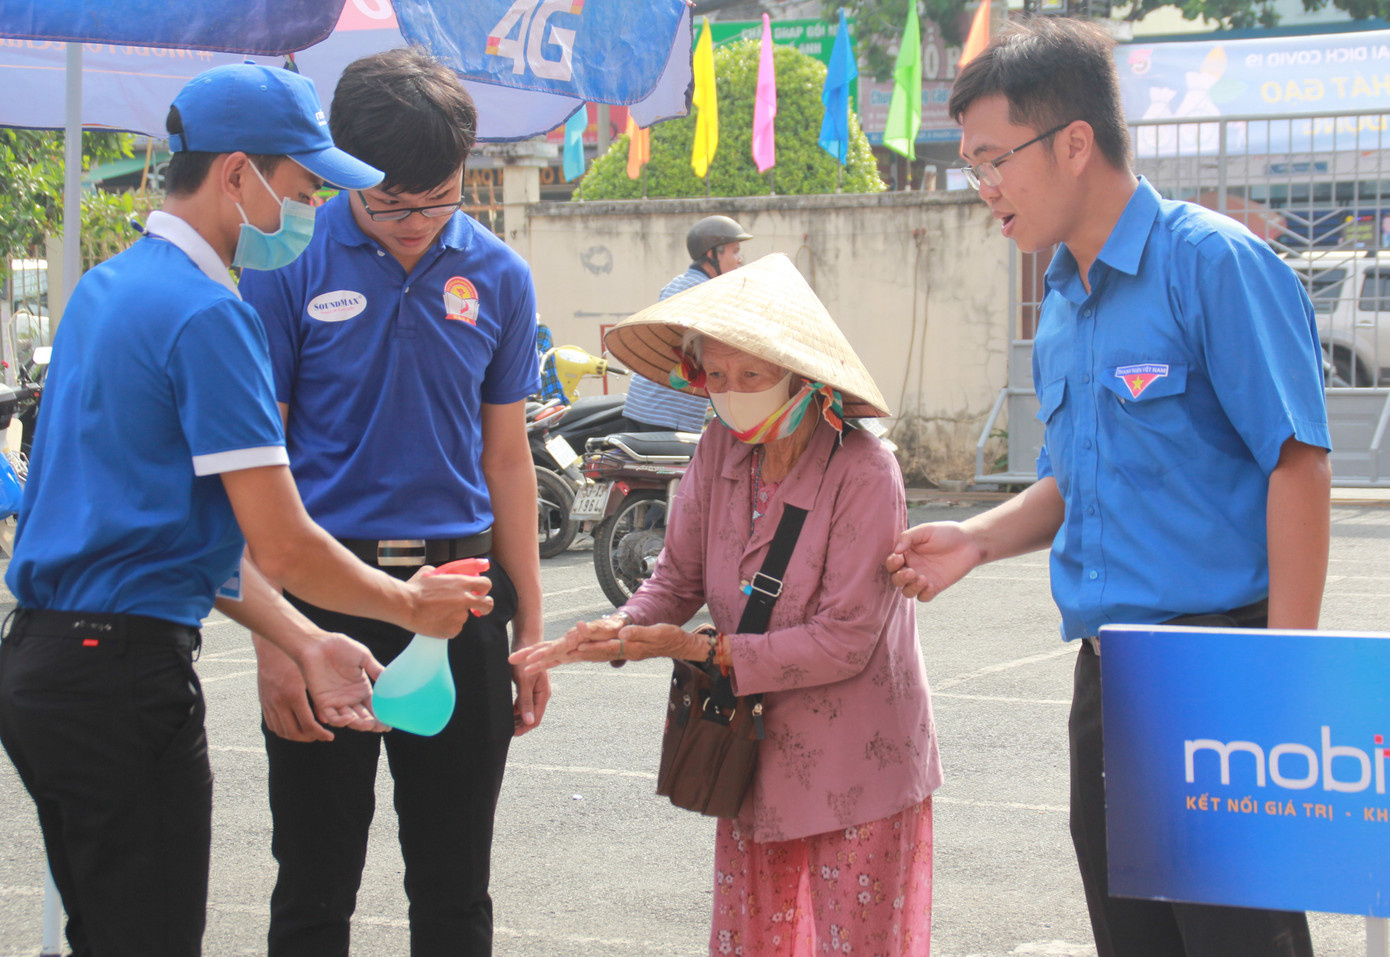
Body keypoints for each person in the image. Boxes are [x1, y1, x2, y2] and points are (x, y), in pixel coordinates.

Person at [0, 62, 495, 957]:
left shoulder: (106, 292)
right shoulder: (208, 314)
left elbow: (186, 542)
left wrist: (304, 639)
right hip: (124, 674)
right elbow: (285, 542)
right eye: (303, 188)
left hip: (47, 665)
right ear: (239, 174)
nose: (306, 212)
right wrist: (408, 606)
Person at [885, 18, 1331, 957]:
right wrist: (977, 537)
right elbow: (1070, 479)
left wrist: (1280, 680)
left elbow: (1297, 460)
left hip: (1218, 672)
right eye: (973, 166)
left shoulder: (1210, 263)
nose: (984, 189)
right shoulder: (1063, 298)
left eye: (994, 160)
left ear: (1075, 142)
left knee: (1239, 941)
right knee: (1134, 938)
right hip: (1109, 673)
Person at [514, 253, 941, 956]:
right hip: (752, 757)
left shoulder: (866, 471)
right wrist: (617, 628)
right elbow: (677, 578)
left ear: (802, 376)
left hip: (859, 764)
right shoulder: (717, 448)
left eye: (753, 376)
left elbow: (846, 638)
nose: (733, 394)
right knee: (756, 938)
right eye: (717, 376)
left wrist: (696, 648)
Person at [238, 48, 548, 957]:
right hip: (322, 588)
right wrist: (273, 641)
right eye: (389, 202)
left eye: (438, 198)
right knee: (314, 878)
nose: (415, 222)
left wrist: (528, 628)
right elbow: (260, 468)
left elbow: (509, 460)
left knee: (454, 887)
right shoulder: (285, 267)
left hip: (458, 596)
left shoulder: (499, 277)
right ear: (344, 176)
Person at [620, 215, 753, 433]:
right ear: (712, 254)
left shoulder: (678, 284)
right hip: (667, 412)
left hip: (641, 403)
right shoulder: (706, 293)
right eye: (735, 251)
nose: (740, 259)